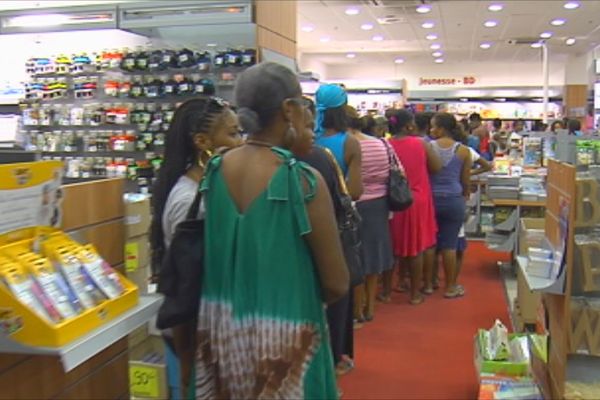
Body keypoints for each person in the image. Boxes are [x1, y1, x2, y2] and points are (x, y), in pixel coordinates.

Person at [176, 62, 349, 399]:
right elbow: (336, 282)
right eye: (304, 106)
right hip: (287, 342)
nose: (308, 117)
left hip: (223, 336)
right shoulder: (301, 180)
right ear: (288, 109)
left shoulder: (214, 171)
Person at [149, 97, 243, 399]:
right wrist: (188, 360)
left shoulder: (212, 188)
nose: (240, 142)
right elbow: (184, 286)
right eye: (232, 134)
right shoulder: (188, 200)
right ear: (202, 142)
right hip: (194, 335)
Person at [294, 98, 354, 377]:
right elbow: (351, 193)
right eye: (307, 125)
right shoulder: (319, 158)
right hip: (324, 246)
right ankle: (332, 361)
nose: (312, 132)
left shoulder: (231, 167)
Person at [386, 109, 442, 304]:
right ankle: (416, 294)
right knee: (415, 247)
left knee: (393, 246)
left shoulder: (385, 145)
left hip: (393, 200)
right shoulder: (421, 144)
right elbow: (436, 167)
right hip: (417, 199)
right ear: (410, 125)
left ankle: (390, 287)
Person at [347, 105, 394, 318]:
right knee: (374, 256)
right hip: (379, 204)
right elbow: (397, 171)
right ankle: (370, 308)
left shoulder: (345, 145)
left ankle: (357, 309)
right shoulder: (382, 144)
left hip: (353, 204)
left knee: (354, 257)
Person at [429, 112, 472, 299]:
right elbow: (465, 180)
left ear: (440, 128)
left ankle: (429, 283)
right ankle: (451, 286)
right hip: (454, 199)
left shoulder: (427, 147)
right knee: (450, 245)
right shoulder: (463, 150)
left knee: (430, 244)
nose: (431, 130)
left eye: (433, 126)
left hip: (431, 199)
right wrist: (464, 196)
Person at [314, 84, 363, 200]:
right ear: (344, 108)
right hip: (334, 210)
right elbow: (355, 192)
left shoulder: (303, 137)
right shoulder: (350, 143)